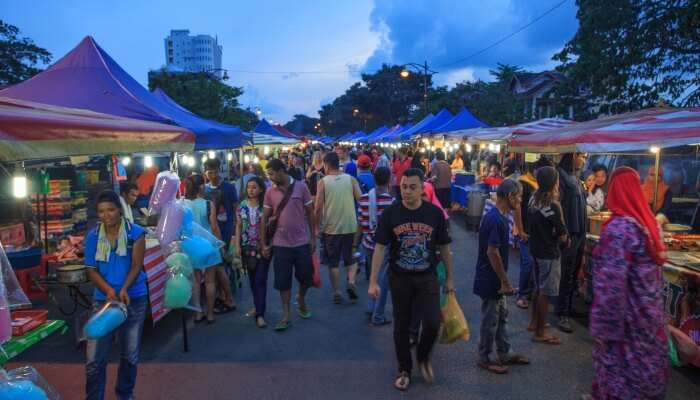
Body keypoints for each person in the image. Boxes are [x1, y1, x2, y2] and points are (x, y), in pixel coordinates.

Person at [368, 168, 454, 391]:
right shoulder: (391, 214)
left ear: (422, 188)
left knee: (433, 323)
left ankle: (423, 357)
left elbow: (444, 247)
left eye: (412, 187)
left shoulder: (434, 214)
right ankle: (404, 369)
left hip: (427, 277)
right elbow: (379, 248)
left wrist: (450, 279)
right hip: (400, 278)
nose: (407, 191)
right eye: (404, 187)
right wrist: (373, 281)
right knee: (402, 326)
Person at [588, 167, 667, 399]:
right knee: (645, 380)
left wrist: (602, 329)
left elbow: (611, 288)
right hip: (650, 325)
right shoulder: (647, 225)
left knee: (622, 383)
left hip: (627, 327)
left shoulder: (620, 230)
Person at [84, 190, 147, 400]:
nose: (106, 215)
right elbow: (91, 270)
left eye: (110, 209)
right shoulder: (93, 236)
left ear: (119, 210)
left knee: (129, 354)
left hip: (133, 298)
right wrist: (109, 291)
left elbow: (137, 265)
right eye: (101, 211)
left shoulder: (135, 233)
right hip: (103, 301)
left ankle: (125, 394)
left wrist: (123, 288)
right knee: (94, 358)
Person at [474, 179, 530, 374]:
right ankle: (485, 356)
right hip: (491, 279)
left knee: (501, 317)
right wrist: (505, 281)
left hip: (495, 278)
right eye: (519, 196)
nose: (521, 201)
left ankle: (505, 351)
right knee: (490, 320)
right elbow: (492, 252)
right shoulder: (496, 219)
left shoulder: (500, 216)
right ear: (509, 197)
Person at [260, 159, 316, 331]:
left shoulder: (301, 187)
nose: (269, 177)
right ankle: (286, 315)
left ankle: (300, 297)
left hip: (301, 242)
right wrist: (264, 243)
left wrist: (313, 237)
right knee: (283, 281)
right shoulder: (270, 192)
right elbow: (264, 218)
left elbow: (310, 212)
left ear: (281, 171)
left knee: (307, 277)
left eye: (271, 173)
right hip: (280, 243)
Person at [527, 166, 568, 345]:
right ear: (554, 182)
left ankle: (534, 322)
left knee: (538, 287)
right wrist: (563, 237)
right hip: (548, 252)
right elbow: (562, 233)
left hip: (535, 249)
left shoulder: (533, 199)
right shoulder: (552, 204)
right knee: (545, 292)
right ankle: (540, 332)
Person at [315, 152, 362, 304]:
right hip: (350, 225)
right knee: (351, 257)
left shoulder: (323, 182)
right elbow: (361, 199)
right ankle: (352, 282)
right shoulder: (351, 179)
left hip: (331, 228)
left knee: (333, 262)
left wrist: (316, 227)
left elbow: (317, 208)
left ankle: (336, 292)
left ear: (327, 165)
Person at [185, 174, 224, 324]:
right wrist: (220, 243)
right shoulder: (208, 204)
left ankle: (198, 313)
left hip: (191, 246)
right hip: (208, 245)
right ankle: (210, 314)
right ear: (201, 186)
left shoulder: (184, 205)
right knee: (210, 281)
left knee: (195, 281)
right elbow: (214, 227)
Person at [556, 153, 588, 333]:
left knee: (574, 271)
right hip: (570, 231)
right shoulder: (560, 175)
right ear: (572, 156)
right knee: (566, 272)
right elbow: (557, 204)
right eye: (582, 156)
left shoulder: (575, 176)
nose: (584, 159)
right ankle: (562, 313)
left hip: (580, 231)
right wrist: (562, 231)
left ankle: (568, 306)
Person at [358, 167, 394, 325]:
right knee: (382, 281)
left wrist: (356, 243)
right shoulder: (391, 202)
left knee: (372, 277)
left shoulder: (364, 199)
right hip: (384, 248)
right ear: (389, 180)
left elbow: (360, 223)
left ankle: (371, 306)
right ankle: (378, 315)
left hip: (368, 244)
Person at [234, 177, 270, 329]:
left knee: (260, 280)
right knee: (253, 280)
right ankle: (257, 306)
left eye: (254, 187)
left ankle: (260, 314)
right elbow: (238, 226)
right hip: (247, 248)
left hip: (263, 247)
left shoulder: (265, 207)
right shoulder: (242, 206)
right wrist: (237, 245)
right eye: (249, 187)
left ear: (261, 189)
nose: (251, 190)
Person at [203, 158, 238, 314]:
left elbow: (236, 210)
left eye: (215, 171)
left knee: (223, 265)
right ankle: (221, 296)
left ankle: (226, 297)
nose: (213, 175)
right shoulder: (204, 190)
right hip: (210, 232)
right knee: (217, 266)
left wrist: (235, 232)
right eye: (210, 172)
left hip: (226, 230)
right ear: (205, 172)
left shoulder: (229, 188)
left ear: (220, 170)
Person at [515, 162, 539, 310]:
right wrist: (520, 229)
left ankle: (528, 291)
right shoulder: (523, 183)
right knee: (528, 262)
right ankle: (523, 294)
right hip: (526, 230)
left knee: (534, 263)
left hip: (538, 232)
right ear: (534, 170)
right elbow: (516, 208)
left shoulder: (540, 183)